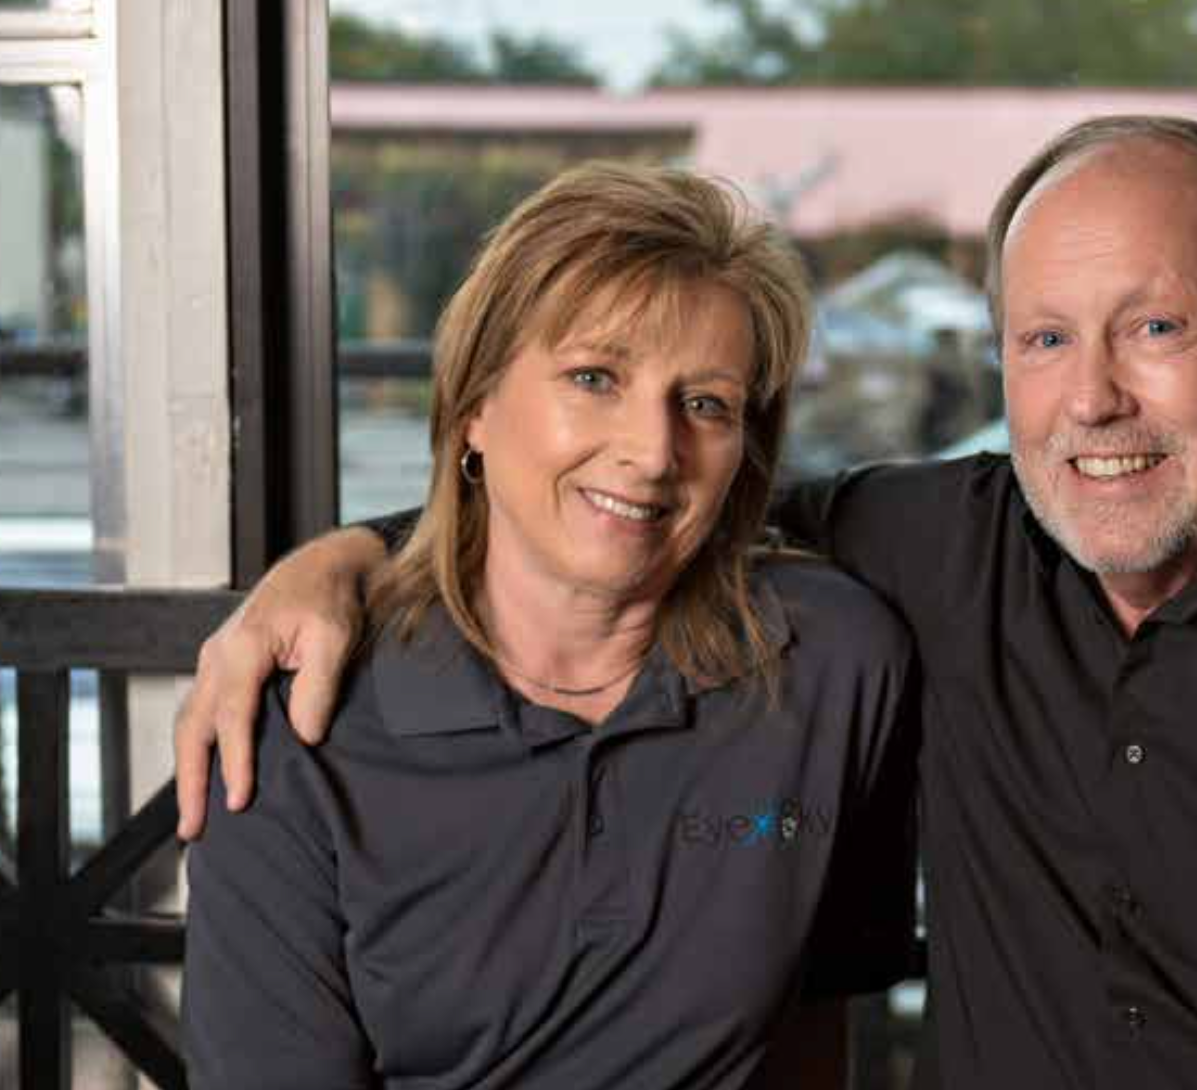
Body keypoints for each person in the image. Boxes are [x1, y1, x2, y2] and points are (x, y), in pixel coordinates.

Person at [177, 117, 1197, 1087]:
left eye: (1155, 327)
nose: (1093, 400)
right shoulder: (933, 550)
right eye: (1042, 340)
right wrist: (347, 563)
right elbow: (613, 508)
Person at [180, 161, 919, 1089]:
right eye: (594, 377)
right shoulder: (299, 716)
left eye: (705, 405)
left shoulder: (833, 662)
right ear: (475, 406)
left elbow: (815, 1023)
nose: (653, 453)